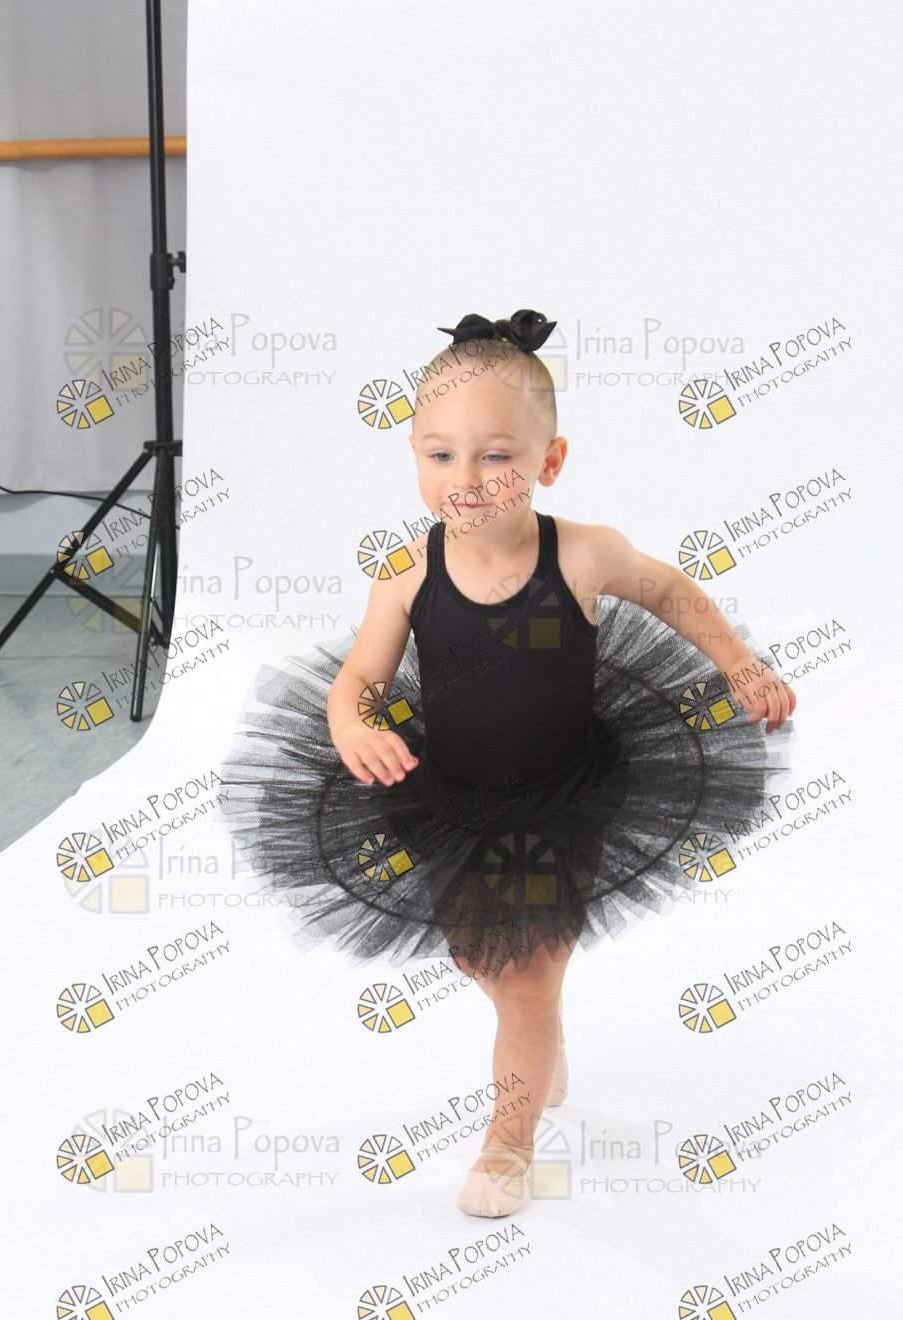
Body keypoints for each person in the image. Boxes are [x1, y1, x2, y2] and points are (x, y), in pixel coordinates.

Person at [216, 308, 796, 1219]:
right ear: (413, 457)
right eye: (440, 455)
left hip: (567, 797)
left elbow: (672, 592)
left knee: (525, 979)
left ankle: (509, 1140)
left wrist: (741, 664)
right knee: (477, 956)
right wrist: (351, 727)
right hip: (449, 799)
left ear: (548, 461)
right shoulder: (406, 574)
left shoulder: (583, 553)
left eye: (495, 456)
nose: (466, 479)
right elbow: (360, 680)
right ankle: (541, 1029)